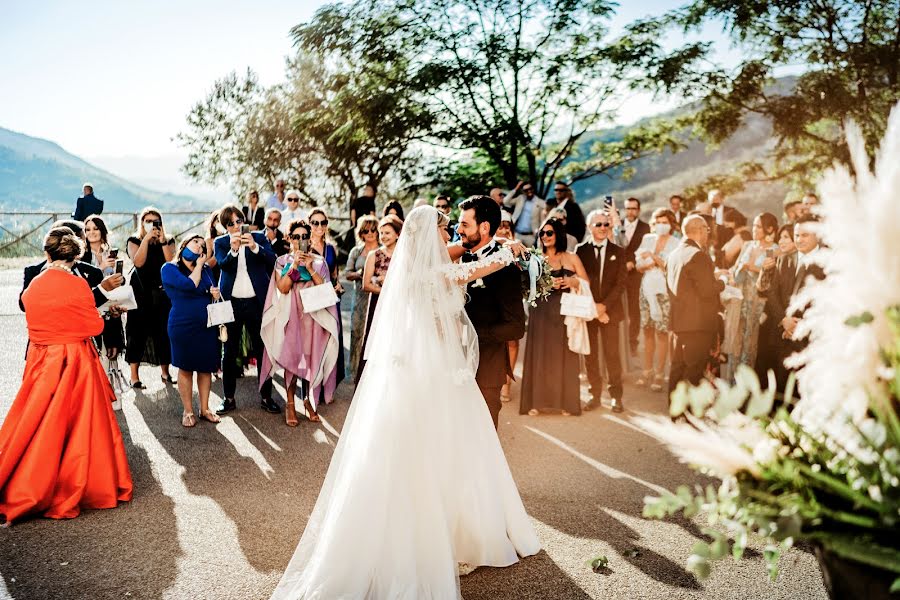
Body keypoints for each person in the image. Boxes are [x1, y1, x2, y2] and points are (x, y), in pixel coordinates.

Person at [270, 206, 540, 599]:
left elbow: (454, 256)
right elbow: (470, 271)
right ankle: (447, 533)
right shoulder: (431, 273)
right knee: (440, 448)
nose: (449, 234)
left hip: (425, 365)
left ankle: (451, 528)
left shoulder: (413, 266)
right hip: (433, 369)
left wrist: (496, 246)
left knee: (439, 448)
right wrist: (509, 251)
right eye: (444, 228)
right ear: (430, 234)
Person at [0, 226, 132, 524]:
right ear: (75, 255)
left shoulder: (33, 286)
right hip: (75, 361)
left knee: (38, 422)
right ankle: (76, 483)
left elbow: (36, 322)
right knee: (79, 425)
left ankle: (28, 477)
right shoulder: (76, 286)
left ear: (47, 252)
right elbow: (93, 328)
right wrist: (100, 315)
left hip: (42, 359)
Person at [260, 220, 341, 426]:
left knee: (310, 355)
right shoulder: (281, 261)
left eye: (305, 236)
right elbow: (284, 287)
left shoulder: (319, 261)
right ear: (289, 239)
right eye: (296, 237)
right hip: (291, 313)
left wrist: (309, 268)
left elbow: (325, 288)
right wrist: (295, 265)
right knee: (292, 355)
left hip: (312, 314)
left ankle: (308, 400)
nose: (301, 240)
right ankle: (289, 403)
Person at [458, 196, 527, 428]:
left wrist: (474, 334)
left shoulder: (506, 266)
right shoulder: (461, 257)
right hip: (453, 364)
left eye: (465, 225)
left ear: (484, 227)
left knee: (484, 431)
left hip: (487, 366)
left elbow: (517, 326)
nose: (459, 230)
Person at [520, 217, 590, 417]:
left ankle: (566, 403)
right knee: (539, 354)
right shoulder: (534, 258)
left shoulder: (572, 258)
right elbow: (526, 287)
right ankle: (535, 402)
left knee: (564, 355)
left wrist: (572, 281)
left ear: (558, 234)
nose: (545, 237)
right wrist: (547, 285)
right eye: (542, 233)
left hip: (565, 311)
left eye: (549, 233)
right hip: (540, 311)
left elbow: (586, 282)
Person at [213, 204, 278, 414]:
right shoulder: (221, 242)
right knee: (229, 351)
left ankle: (266, 396)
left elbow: (272, 260)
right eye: (230, 223)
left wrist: (254, 247)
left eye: (238, 221)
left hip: (255, 301)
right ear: (225, 227)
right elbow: (222, 265)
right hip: (231, 302)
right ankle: (228, 398)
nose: (235, 226)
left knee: (262, 349)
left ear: (244, 221)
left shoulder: (258, 237)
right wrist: (233, 250)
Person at [161, 236, 222, 427]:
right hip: (182, 325)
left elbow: (209, 288)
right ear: (184, 245)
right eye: (196, 242)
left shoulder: (206, 269)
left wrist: (215, 293)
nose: (199, 246)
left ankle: (205, 409)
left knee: (205, 368)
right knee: (185, 367)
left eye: (202, 245)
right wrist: (200, 264)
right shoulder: (169, 268)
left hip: (206, 325)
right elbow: (189, 285)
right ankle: (188, 410)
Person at [761, 216, 825, 390]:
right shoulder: (785, 259)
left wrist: (801, 325)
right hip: (782, 336)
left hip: (810, 339)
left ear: (817, 235)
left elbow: (827, 301)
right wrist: (784, 320)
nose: (799, 239)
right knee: (782, 387)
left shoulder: (826, 261)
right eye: (796, 235)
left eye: (804, 235)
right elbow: (772, 295)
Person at [666, 215, 725, 398]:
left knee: (678, 368)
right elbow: (707, 291)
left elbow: (686, 285)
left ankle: (676, 411)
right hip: (698, 324)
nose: (708, 233)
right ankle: (691, 411)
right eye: (707, 230)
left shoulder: (674, 254)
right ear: (700, 230)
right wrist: (722, 282)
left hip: (680, 321)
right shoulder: (698, 255)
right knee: (694, 371)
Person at [576, 210, 627, 412]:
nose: (604, 228)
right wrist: (594, 308)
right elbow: (580, 283)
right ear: (590, 227)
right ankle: (594, 395)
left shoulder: (619, 251)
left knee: (612, 355)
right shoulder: (580, 251)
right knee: (591, 356)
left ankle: (616, 397)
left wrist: (604, 306)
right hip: (588, 311)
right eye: (599, 224)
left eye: (606, 224)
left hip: (610, 311)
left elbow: (621, 283)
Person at [723, 212, 779, 380]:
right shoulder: (747, 245)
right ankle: (731, 382)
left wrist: (751, 267)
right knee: (736, 342)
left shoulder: (774, 250)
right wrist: (727, 274)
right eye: (753, 225)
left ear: (769, 229)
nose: (754, 229)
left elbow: (772, 278)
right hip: (739, 299)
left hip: (758, 301)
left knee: (750, 343)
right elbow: (735, 268)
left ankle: (746, 386)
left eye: (758, 226)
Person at [126, 207, 176, 388]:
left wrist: (162, 241)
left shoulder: (168, 240)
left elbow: (171, 263)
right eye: (148, 221)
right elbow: (138, 262)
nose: (152, 224)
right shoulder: (134, 240)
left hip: (162, 293)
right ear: (142, 223)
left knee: (163, 332)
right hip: (140, 292)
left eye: (156, 221)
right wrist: (146, 239)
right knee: (137, 332)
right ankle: (134, 377)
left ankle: (165, 373)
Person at [633, 208, 680, 393]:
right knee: (647, 331)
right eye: (658, 221)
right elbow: (638, 266)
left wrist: (653, 258)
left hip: (664, 293)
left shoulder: (676, 242)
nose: (661, 225)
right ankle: (646, 370)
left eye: (665, 222)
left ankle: (660, 373)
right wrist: (648, 264)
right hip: (646, 290)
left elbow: (669, 266)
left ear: (671, 224)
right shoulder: (647, 239)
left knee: (662, 333)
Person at [356, 214, 401, 381]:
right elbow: (366, 284)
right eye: (381, 233)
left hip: (399, 305)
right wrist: (388, 291)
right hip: (378, 304)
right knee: (374, 340)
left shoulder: (404, 256)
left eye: (387, 233)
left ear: (397, 234)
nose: (383, 236)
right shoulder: (374, 255)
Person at [756, 223, 797, 390]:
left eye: (786, 237)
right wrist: (764, 270)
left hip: (795, 323)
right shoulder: (778, 260)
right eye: (780, 237)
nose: (781, 241)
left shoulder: (805, 262)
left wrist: (791, 322)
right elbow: (762, 289)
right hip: (776, 321)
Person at [308, 208, 345, 388]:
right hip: (312, 300)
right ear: (309, 224)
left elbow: (334, 273)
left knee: (332, 340)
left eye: (323, 222)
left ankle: (328, 385)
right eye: (315, 223)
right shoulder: (305, 246)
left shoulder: (331, 248)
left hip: (330, 299)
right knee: (315, 342)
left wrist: (338, 285)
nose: (319, 226)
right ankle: (313, 385)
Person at [83, 215, 126, 361]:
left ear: (102, 231)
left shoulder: (109, 252)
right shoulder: (82, 256)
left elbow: (119, 280)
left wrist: (119, 275)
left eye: (95, 228)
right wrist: (101, 268)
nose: (91, 232)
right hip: (93, 305)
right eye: (87, 229)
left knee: (111, 355)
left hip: (111, 306)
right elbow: (83, 282)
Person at [344, 215, 380, 381]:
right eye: (366, 230)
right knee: (357, 333)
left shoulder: (383, 250)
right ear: (361, 233)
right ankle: (355, 372)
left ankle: (374, 372)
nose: (371, 233)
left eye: (373, 229)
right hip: (359, 298)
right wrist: (361, 274)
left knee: (377, 334)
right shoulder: (356, 251)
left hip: (378, 298)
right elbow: (347, 273)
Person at [622, 197, 651, 356]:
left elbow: (646, 249)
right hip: (618, 274)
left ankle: (632, 343)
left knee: (634, 310)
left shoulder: (646, 228)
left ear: (638, 210)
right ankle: (620, 342)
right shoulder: (616, 225)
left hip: (636, 275)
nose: (630, 211)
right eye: (628, 208)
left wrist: (633, 261)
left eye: (634, 208)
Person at [504, 181, 545, 247]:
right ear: (523, 191)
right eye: (526, 190)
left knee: (532, 256)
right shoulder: (520, 198)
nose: (529, 191)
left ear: (533, 189)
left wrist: (539, 234)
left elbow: (543, 220)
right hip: (517, 234)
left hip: (531, 236)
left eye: (530, 188)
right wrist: (516, 188)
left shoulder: (541, 203)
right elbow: (505, 201)